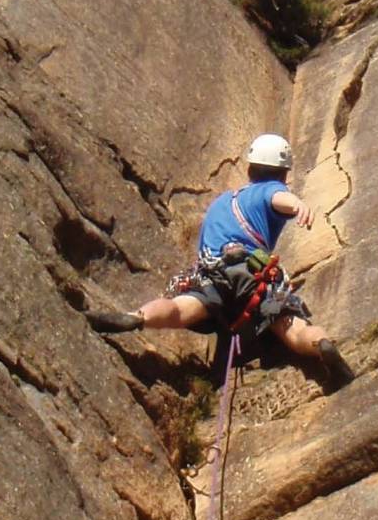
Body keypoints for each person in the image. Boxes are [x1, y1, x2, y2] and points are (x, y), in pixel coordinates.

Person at [86, 134, 354, 392]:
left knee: (180, 308)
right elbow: (276, 197)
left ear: (250, 168)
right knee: (291, 327)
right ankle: (320, 345)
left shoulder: (221, 202)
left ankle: (136, 317)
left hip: (213, 270)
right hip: (253, 274)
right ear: (283, 173)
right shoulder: (272, 189)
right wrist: (297, 205)